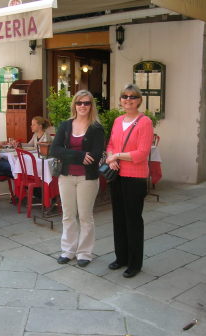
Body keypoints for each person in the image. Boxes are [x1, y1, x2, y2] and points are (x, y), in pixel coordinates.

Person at [50, 90, 105, 267]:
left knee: (85, 216)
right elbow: (54, 149)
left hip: (87, 178)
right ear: (74, 104)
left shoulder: (96, 128)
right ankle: (68, 251)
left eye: (87, 103)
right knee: (67, 215)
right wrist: (79, 155)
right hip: (66, 176)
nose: (83, 106)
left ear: (91, 106)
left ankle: (85, 253)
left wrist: (74, 155)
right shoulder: (65, 125)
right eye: (79, 102)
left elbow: (96, 155)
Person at [105, 84, 154, 278]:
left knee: (133, 220)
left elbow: (142, 153)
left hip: (134, 177)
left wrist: (116, 155)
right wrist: (111, 157)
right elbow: (110, 144)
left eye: (133, 97)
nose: (128, 99)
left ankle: (135, 263)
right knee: (118, 218)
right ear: (120, 100)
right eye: (124, 96)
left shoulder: (145, 122)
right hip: (116, 175)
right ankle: (121, 257)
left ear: (139, 100)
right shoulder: (118, 121)